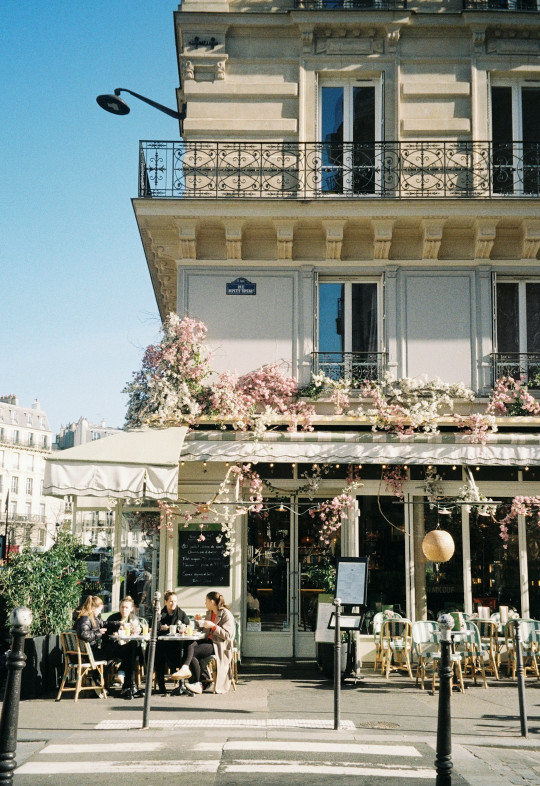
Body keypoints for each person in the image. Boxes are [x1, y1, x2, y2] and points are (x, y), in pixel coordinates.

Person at [174, 591, 235, 695]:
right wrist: (199, 623)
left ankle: (197, 683)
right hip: (207, 640)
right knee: (188, 645)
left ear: (211, 602)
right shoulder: (209, 613)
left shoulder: (226, 614)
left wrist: (213, 626)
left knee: (192, 654)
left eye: (206, 601)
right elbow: (205, 631)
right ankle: (199, 680)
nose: (205, 603)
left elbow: (227, 635)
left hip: (218, 645)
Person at [104, 596, 144, 700]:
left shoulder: (134, 619)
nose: (124, 610)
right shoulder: (113, 618)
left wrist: (135, 631)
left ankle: (126, 683)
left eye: (126, 607)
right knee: (131, 653)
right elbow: (105, 634)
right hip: (114, 647)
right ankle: (129, 686)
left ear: (131, 609)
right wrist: (113, 632)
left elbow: (137, 632)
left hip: (127, 647)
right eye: (122, 607)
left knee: (132, 647)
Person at [154, 591, 190, 695]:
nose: (173, 603)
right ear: (165, 602)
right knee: (159, 652)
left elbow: (187, 625)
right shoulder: (161, 613)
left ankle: (181, 684)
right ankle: (161, 685)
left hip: (177, 646)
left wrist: (169, 628)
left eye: (175, 601)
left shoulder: (181, 613)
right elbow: (156, 627)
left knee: (175, 652)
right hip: (163, 645)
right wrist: (159, 618)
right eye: (170, 601)